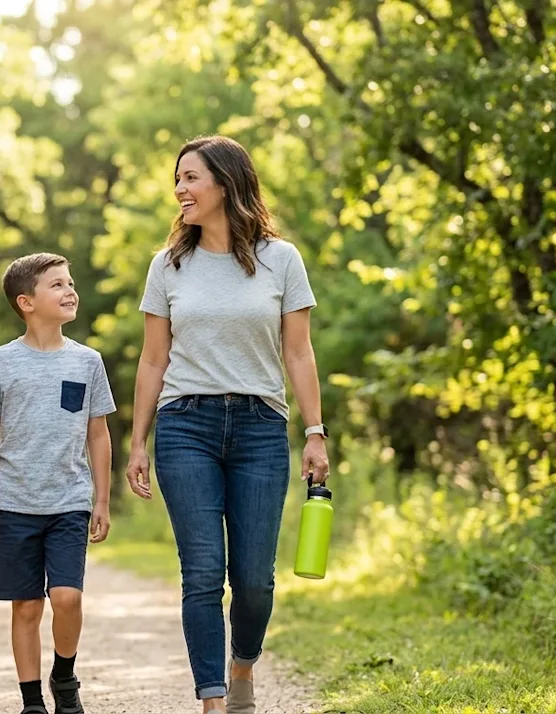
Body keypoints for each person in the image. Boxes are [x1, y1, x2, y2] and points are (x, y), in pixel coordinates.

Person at [123, 135, 330, 714]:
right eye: (178, 179)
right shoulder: (167, 266)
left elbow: (299, 354)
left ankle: (243, 667)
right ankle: (213, 701)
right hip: (185, 423)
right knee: (203, 573)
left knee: (256, 579)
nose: (180, 190)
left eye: (191, 178)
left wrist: (316, 432)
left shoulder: (281, 259)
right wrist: (137, 442)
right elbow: (153, 360)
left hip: (262, 427)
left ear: (225, 183)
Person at [0, 253, 115, 714]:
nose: (70, 291)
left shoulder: (88, 362)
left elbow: (98, 434)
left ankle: (64, 676)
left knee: (67, 597)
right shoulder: (1, 362)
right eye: (57, 285)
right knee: (27, 607)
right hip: (14, 503)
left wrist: (102, 501)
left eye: (70, 283)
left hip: (69, 500)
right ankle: (32, 701)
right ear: (26, 302)